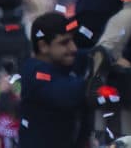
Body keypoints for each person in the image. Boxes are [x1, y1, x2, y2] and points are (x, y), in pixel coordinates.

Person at [18, 12, 94, 148]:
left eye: (72, 40)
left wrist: (108, 56)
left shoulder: (61, 62)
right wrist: (95, 79)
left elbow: (91, 56)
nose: (73, 48)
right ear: (43, 46)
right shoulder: (36, 74)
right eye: (64, 43)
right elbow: (66, 94)